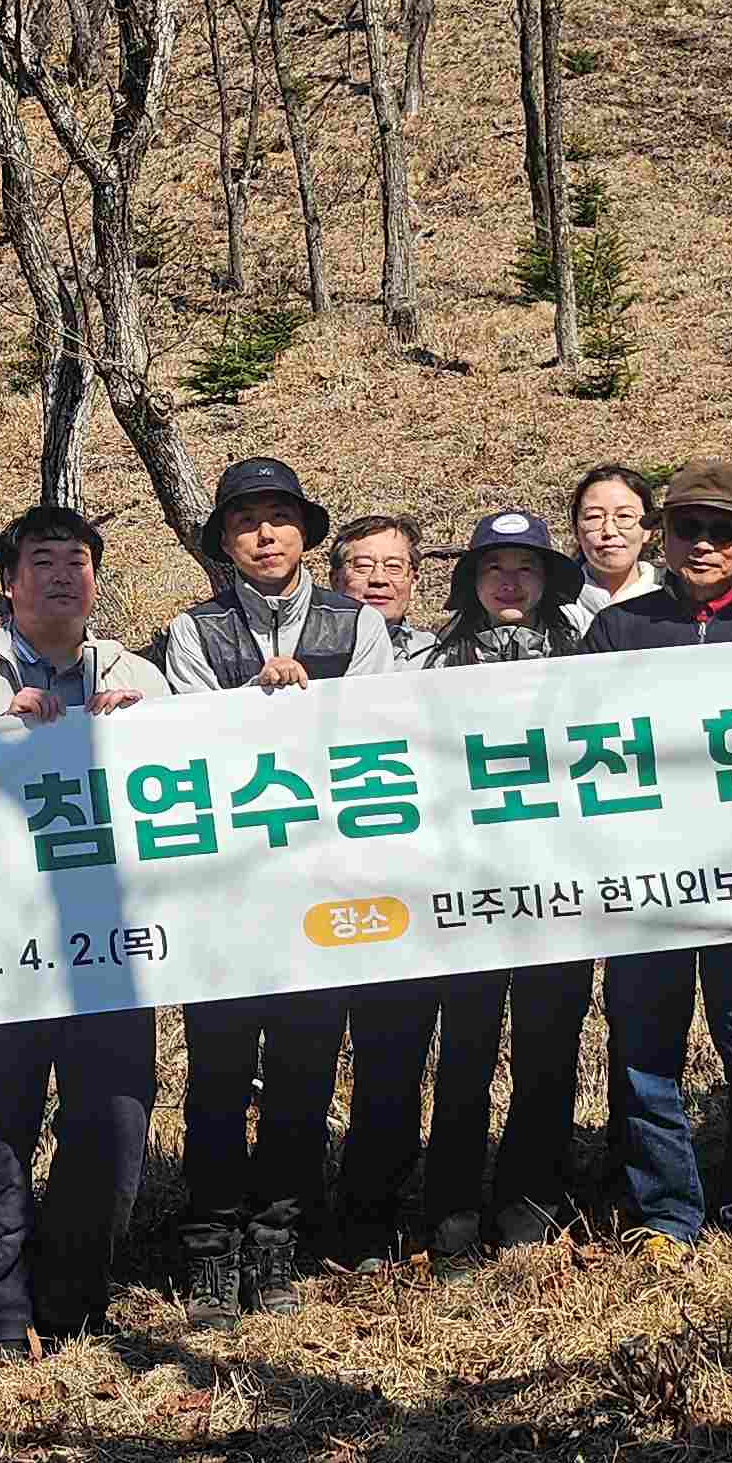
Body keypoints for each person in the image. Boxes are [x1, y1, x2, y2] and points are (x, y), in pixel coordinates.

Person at [0, 501, 164, 1348]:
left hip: (110, 945)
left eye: (78, 561)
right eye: (42, 561)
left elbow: (185, 789)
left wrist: (146, 734)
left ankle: (73, 1299)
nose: (62, 575)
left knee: (114, 1122)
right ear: (10, 582)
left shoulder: (135, 672)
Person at [159, 455, 399, 1320]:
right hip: (224, 889)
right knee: (219, 1073)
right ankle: (210, 1245)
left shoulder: (354, 624)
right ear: (224, 541)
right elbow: (188, 740)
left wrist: (307, 705)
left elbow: (380, 731)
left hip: (324, 884)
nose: (265, 534)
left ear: (306, 534)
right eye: (246, 521)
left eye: (280, 518)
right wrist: (252, 705)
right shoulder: (196, 630)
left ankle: (279, 1242)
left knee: (303, 1070)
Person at [580, 457, 732, 1238]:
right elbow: (577, 751)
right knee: (645, 1061)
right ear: (663, 535)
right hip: (647, 887)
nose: (705, 544)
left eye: (724, 531)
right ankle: (667, 1215)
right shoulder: (618, 629)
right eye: (689, 529)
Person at [410, 509, 598, 1259]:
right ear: (472, 581)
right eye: (494, 569)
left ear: (549, 579)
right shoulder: (433, 661)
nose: (509, 582)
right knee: (464, 1052)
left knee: (549, 1049)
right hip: (468, 888)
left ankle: (533, 1201)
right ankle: (450, 1206)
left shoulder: (588, 653)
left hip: (560, 885)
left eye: (525, 568)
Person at [322, 508, 436, 1261]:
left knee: (394, 1055)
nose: (376, 580)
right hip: (314, 883)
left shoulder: (446, 656)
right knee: (304, 1058)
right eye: (360, 566)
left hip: (413, 886)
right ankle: (296, 1210)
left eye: (392, 567)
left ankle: (374, 1212)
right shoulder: (318, 647)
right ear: (334, 578)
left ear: (415, 581)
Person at [559, 462, 660, 637]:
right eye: (593, 517)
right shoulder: (555, 610)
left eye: (624, 516)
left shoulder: (677, 603)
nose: (609, 531)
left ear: (648, 530)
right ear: (576, 530)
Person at [327, 514, 422, 634]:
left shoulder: (434, 651)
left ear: (413, 583)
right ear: (335, 580)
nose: (379, 579)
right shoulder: (305, 646)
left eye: (394, 567)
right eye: (364, 565)